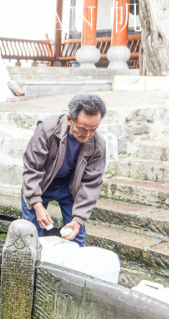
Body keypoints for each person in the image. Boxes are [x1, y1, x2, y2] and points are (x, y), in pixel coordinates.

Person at [21, 93, 107, 246]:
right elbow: (32, 168)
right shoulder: (47, 129)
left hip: (70, 187)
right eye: (82, 128)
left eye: (93, 129)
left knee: (77, 238)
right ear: (69, 119)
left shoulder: (97, 144)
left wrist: (78, 219)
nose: (87, 134)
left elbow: (91, 183)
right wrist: (36, 203)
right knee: (31, 237)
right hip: (41, 183)